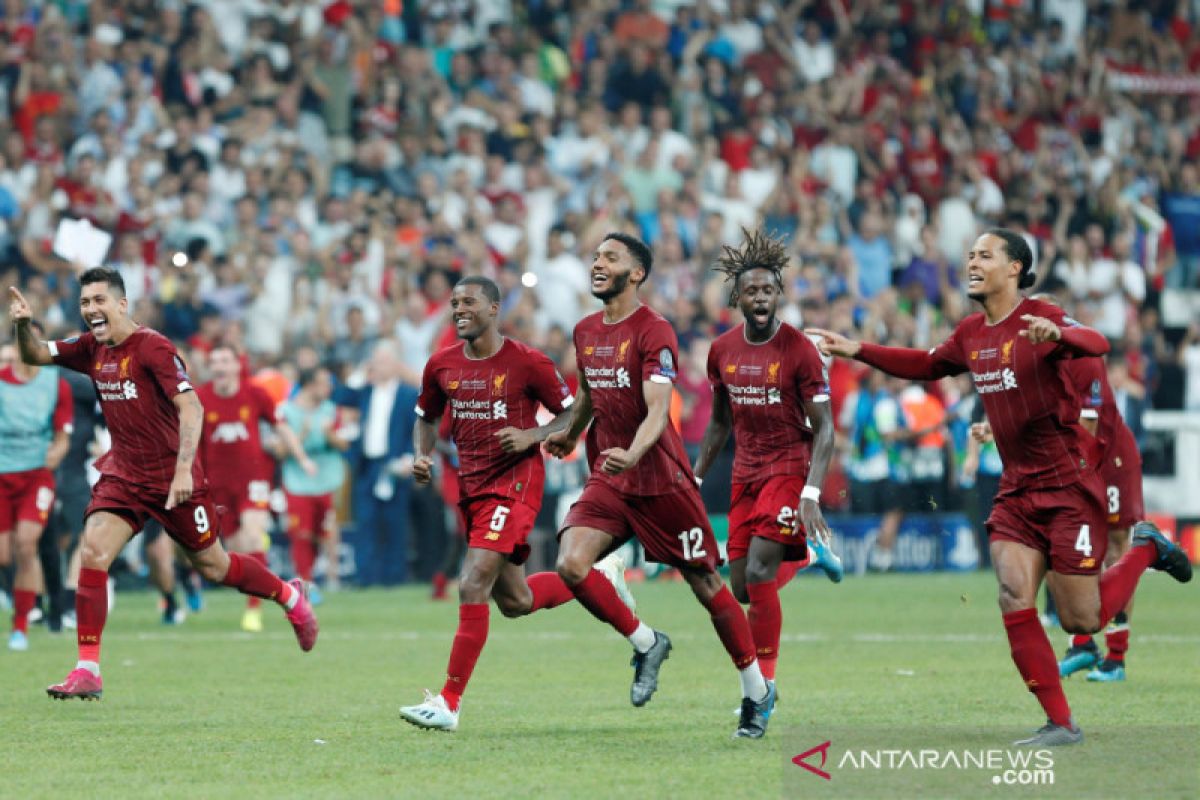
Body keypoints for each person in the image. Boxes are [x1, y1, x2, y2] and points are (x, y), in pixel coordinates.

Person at [807, 229, 1192, 746]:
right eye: (969, 254)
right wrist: (856, 349)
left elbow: (1099, 343)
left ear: (1014, 268)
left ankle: (1144, 547)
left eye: (985, 255)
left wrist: (1057, 337)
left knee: (1086, 615)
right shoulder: (971, 332)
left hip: (1067, 489)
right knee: (1013, 594)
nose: (972, 261)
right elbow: (926, 365)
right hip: (1016, 490)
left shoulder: (1042, 317)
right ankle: (1061, 722)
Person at [8, 268, 318, 702]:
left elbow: (190, 408)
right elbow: (37, 354)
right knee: (93, 550)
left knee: (215, 566)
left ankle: (289, 595)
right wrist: (22, 325)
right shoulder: (89, 347)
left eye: (99, 300)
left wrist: (185, 470)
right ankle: (87, 668)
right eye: (84, 303)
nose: (91, 310)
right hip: (123, 476)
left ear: (121, 304)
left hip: (174, 478)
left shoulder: (153, 347)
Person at [545, 232, 777, 739]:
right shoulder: (585, 331)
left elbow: (657, 409)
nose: (597, 263)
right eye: (596, 256)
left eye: (610, 257)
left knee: (704, 584)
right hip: (610, 477)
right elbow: (589, 395)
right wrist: (569, 434)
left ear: (637, 273)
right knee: (570, 563)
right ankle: (647, 642)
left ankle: (757, 692)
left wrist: (636, 449)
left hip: (660, 479)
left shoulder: (654, 331)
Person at [399, 276, 603, 732]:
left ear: (494, 309)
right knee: (515, 600)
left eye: (469, 302)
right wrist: (422, 454)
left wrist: (532, 436)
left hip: (515, 482)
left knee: (472, 582)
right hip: (471, 488)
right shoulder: (440, 364)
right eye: (454, 303)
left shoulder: (528, 362)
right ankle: (594, 579)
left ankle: (448, 702)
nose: (459, 309)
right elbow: (426, 416)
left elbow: (573, 412)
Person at [692, 228, 842, 686]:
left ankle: (765, 686)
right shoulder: (721, 350)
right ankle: (809, 556)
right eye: (750, 290)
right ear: (737, 297)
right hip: (746, 470)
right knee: (742, 588)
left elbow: (826, 429)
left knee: (759, 571)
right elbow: (719, 423)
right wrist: (693, 479)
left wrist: (811, 493)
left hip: (788, 466)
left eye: (767, 289)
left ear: (778, 294)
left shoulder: (800, 351)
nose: (759, 296)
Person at [1025, 297, 1146, 683]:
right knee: (1064, 546)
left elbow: (1089, 430)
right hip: (1074, 461)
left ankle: (1116, 656)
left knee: (1114, 546)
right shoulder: (1037, 360)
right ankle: (1082, 644)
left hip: (1109, 459)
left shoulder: (1083, 355)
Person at [197, 343, 316, 632]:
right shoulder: (200, 399)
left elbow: (281, 426)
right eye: (215, 362)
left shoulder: (255, 393)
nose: (220, 367)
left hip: (253, 479)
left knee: (251, 537)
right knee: (237, 552)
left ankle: (254, 611)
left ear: (238, 365)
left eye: (225, 360)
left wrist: (302, 458)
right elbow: (191, 441)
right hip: (218, 485)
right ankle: (285, 590)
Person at [0, 319, 72, 651]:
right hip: (3, 474)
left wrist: (54, 455)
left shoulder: (55, 384)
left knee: (27, 544)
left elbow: (62, 435)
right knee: (4, 555)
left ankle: (21, 626)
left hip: (37, 475)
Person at [339, 341, 418, 586]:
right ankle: (366, 577)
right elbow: (340, 395)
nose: (378, 366)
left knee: (395, 523)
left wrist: (409, 457)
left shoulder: (407, 394)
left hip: (394, 465)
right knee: (366, 522)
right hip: (367, 465)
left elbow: (414, 430)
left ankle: (394, 577)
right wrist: (362, 371)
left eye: (383, 361)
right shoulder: (365, 391)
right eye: (375, 361)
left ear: (396, 364)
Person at [279, 365, 348, 597]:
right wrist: (302, 435)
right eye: (324, 383)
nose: (329, 388)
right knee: (302, 533)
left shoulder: (331, 410)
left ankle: (331, 576)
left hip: (328, 477)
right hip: (298, 480)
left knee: (326, 530)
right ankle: (305, 582)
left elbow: (344, 444)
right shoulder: (286, 411)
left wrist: (330, 435)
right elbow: (278, 451)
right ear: (310, 385)